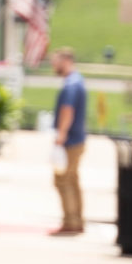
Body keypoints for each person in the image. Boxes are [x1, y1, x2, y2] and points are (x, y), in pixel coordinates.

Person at [50, 46, 87, 236]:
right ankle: (77, 220)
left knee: (63, 181)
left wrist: (60, 135)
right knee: (72, 180)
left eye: (55, 61)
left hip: (70, 140)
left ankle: (70, 221)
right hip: (77, 138)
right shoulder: (77, 81)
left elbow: (67, 110)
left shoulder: (71, 84)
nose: (53, 65)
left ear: (65, 61)